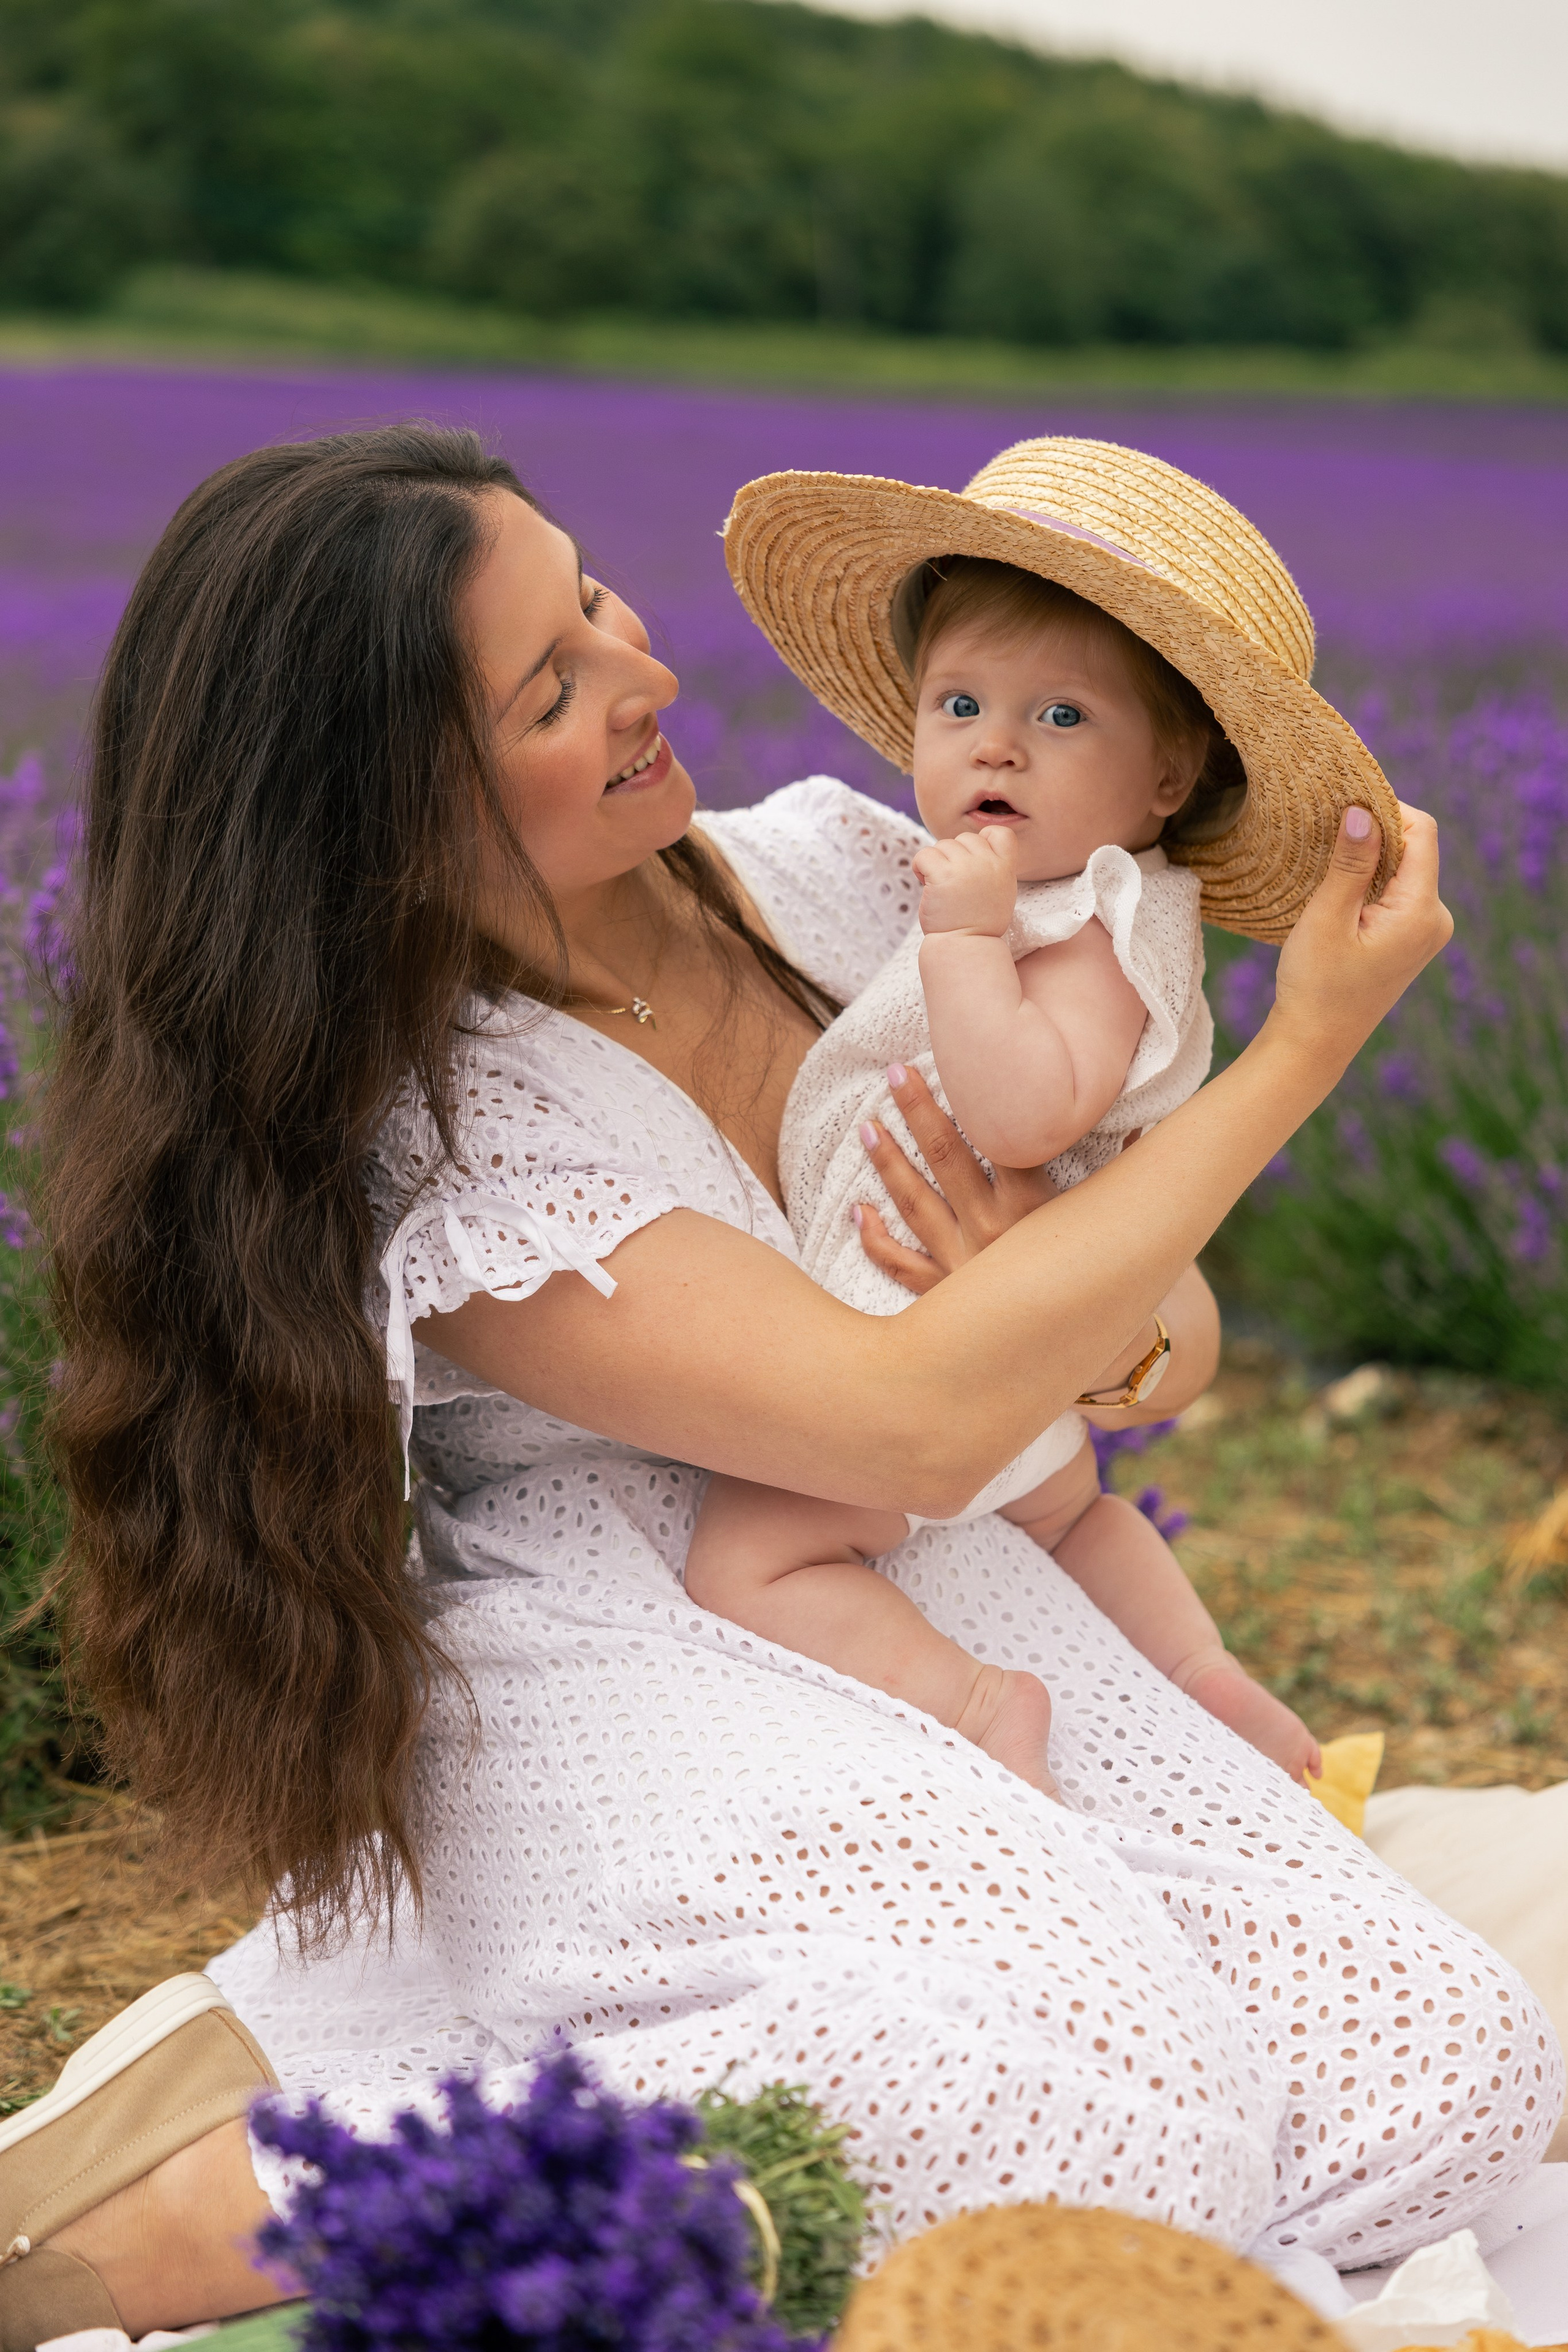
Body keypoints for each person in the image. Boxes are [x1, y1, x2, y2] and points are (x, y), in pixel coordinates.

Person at [2, 424, 1557, 2352]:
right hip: (624, 1634)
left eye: (590, 596)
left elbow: (1160, 1338)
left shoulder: (846, 872)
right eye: (553, 686)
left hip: (921, 1566)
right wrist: (1302, 1049)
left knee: (1451, 2078)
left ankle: (847, 2057)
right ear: (392, 810)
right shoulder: (443, 1121)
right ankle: (307, 2192)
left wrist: (1095, 1318)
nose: (646, 676)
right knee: (1123, 2114)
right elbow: (898, 1415)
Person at [690, 462, 1345, 1790]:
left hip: (922, 1318)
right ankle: (1211, 1686)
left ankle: (972, 1701)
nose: (995, 744)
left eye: (1060, 715)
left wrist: (963, 939)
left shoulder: (1100, 926)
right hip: (1004, 1335)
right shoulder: (1053, 897)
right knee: (1074, 1519)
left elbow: (1028, 1110)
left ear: (1167, 780)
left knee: (752, 1557)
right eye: (960, 704)